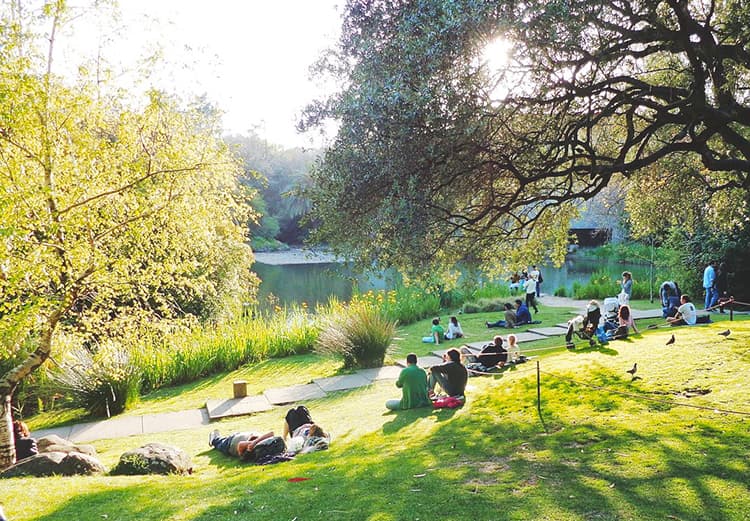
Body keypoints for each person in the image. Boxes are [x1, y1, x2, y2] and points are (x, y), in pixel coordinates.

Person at [209, 429, 275, 459]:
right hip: (238, 436)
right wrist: (255, 442)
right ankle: (217, 438)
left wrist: (252, 445)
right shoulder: (264, 443)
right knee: (223, 440)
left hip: (229, 445)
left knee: (218, 442)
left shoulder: (253, 449)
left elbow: (240, 445)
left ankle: (214, 439)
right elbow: (271, 433)